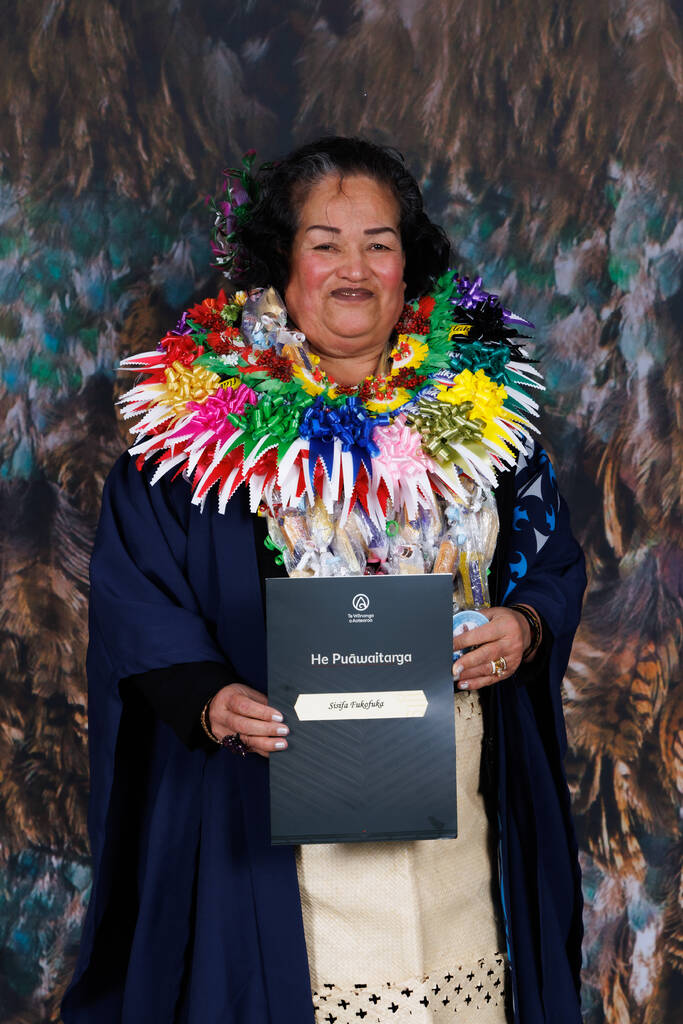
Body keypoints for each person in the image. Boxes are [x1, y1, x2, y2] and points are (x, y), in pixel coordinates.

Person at [62, 137, 586, 1024]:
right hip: (270, 834)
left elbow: (549, 563)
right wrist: (207, 696)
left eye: (379, 243)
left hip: (458, 821)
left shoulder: (489, 432)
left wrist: (525, 625)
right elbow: (135, 597)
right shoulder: (191, 445)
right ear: (278, 263)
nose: (355, 268)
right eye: (325, 242)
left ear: (407, 266)